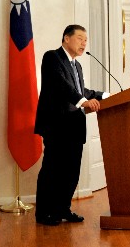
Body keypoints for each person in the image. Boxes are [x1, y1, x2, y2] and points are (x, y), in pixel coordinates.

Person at [34, 24, 108, 226]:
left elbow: (81, 89)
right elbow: (61, 85)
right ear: (66, 38)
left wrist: (105, 96)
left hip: (74, 126)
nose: (84, 43)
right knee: (52, 169)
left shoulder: (77, 65)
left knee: (71, 170)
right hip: (56, 125)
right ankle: (44, 213)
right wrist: (83, 101)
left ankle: (62, 209)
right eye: (80, 38)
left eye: (86, 40)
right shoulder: (52, 58)